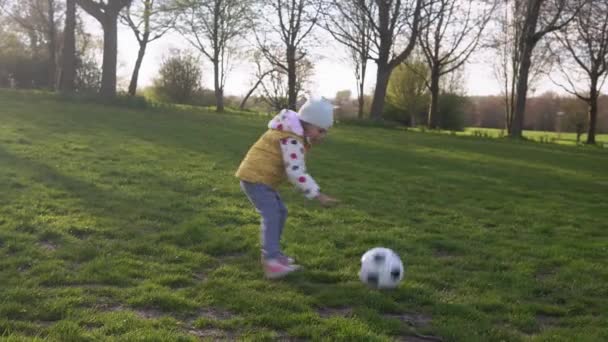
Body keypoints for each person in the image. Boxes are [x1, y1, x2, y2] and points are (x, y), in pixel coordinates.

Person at [236, 98, 339, 279]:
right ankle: (271, 262)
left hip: (261, 179)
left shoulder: (290, 132)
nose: (322, 136)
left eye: (325, 132)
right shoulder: (291, 139)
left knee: (280, 212)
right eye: (320, 130)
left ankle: (275, 255)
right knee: (272, 214)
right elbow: (295, 172)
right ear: (308, 124)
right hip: (256, 178)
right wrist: (317, 194)